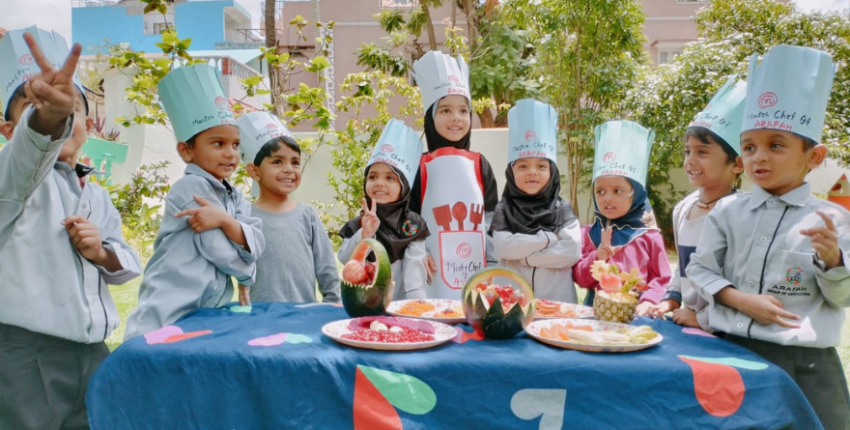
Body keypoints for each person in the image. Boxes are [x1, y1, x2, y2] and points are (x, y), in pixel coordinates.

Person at [688, 45, 850, 430]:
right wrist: (740, 300)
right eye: (749, 147)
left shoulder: (833, 220)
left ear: (814, 156)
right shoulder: (727, 211)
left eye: (776, 145)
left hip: (805, 368)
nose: (759, 157)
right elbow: (700, 268)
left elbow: (842, 297)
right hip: (731, 354)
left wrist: (833, 262)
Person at [0, 27, 141, 430]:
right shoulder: (12, 183)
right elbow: (30, 153)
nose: (63, 117)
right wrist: (51, 116)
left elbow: (126, 261)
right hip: (27, 357)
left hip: (91, 352)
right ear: (8, 131)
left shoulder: (95, 193)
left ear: (90, 124)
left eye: (73, 109)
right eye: (33, 105)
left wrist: (102, 253)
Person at [124, 64, 265, 340]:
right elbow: (216, 247)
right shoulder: (189, 188)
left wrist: (225, 221)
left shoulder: (234, 194)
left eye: (236, 145)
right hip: (169, 305)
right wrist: (247, 275)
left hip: (203, 308)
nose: (230, 154)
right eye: (218, 143)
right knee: (152, 354)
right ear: (186, 151)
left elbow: (257, 241)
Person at [648, 77, 745, 328]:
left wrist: (702, 319)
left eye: (702, 152)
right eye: (687, 151)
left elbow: (743, 282)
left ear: (737, 163)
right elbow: (683, 269)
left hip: (725, 330)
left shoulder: (742, 214)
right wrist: (670, 299)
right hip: (687, 324)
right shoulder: (683, 209)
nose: (690, 160)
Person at [409, 50, 499, 299]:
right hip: (429, 271)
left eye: (463, 111)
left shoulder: (481, 165)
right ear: (430, 116)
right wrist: (419, 252)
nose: (456, 118)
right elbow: (407, 217)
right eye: (445, 111)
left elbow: (491, 217)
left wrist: (492, 263)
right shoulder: (418, 166)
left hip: (477, 271)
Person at [235, 111, 339, 305]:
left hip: (305, 312)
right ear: (254, 172)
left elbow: (326, 266)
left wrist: (332, 302)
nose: (289, 169)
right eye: (277, 161)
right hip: (262, 315)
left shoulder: (307, 215)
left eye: (295, 162)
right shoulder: (245, 217)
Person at [572, 120, 671, 314]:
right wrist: (597, 256)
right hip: (595, 314)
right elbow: (580, 279)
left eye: (618, 190)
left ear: (637, 194)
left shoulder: (649, 236)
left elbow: (662, 279)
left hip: (638, 313)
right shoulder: (589, 234)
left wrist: (648, 301)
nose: (607, 198)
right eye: (600, 191)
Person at [490, 99, 582, 302]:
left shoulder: (562, 209)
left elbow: (571, 251)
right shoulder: (504, 208)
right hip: (511, 303)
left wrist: (525, 258)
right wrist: (548, 239)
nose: (532, 172)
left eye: (541, 166)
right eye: (523, 166)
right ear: (511, 172)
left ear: (552, 172)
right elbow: (503, 247)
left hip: (558, 304)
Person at [339, 119, 430, 299]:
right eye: (373, 177)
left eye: (390, 178)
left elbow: (414, 273)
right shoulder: (358, 223)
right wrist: (365, 234)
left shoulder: (412, 224)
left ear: (404, 187)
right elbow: (345, 260)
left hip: (401, 305)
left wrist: (417, 305)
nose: (379, 183)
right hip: (363, 303)